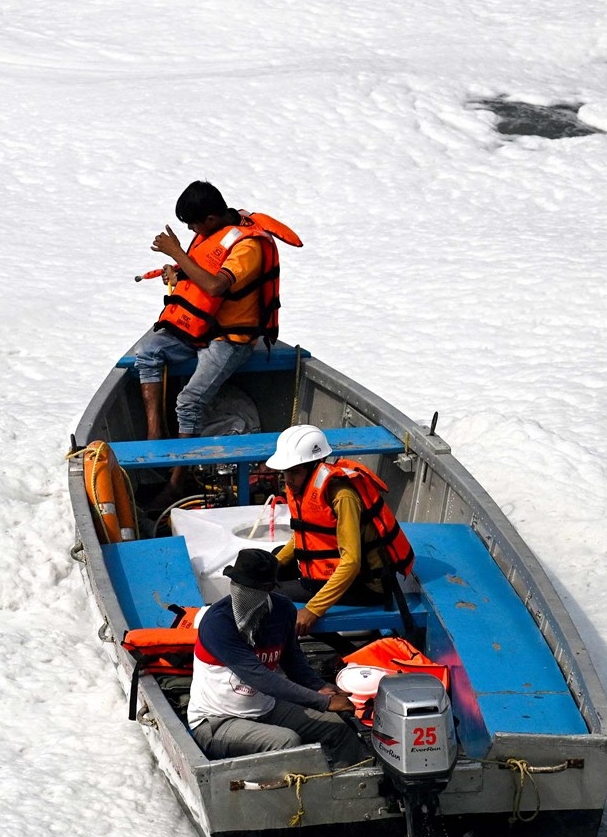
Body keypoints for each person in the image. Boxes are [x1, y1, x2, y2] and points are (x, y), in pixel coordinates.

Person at [128, 181, 295, 441]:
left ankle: (177, 478)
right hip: (199, 326)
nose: (192, 230)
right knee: (147, 352)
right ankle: (154, 433)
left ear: (211, 218)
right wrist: (177, 272)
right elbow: (203, 266)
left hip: (229, 339)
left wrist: (177, 253)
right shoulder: (214, 230)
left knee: (188, 401)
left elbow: (216, 286)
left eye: (194, 225)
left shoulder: (247, 247)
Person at [187, 547, 363, 761]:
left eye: (251, 588)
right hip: (218, 720)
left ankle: (358, 786)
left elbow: (292, 658)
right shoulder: (218, 623)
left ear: (269, 588)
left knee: (338, 728)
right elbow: (259, 676)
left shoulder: (283, 610)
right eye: (237, 584)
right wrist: (322, 702)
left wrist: (318, 686)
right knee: (286, 741)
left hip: (267, 707)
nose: (241, 592)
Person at [268, 424, 416, 634]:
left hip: (366, 585)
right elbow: (305, 535)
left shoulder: (342, 497)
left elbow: (351, 563)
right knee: (274, 564)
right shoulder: (304, 487)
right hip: (335, 570)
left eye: (294, 472)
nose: (288, 480)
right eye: (285, 473)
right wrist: (274, 564)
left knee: (271, 591)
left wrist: (313, 610)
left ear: (314, 466)